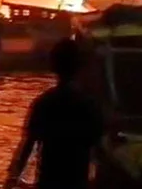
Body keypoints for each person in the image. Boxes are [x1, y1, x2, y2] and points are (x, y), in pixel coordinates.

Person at [6, 38, 102, 189]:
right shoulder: (89, 105)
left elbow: (27, 148)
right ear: (80, 67)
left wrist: (11, 179)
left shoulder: (43, 103)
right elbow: (99, 152)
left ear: (53, 66)